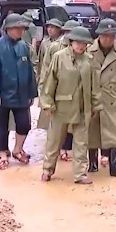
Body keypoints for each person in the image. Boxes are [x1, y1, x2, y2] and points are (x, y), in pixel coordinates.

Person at [40, 26, 102, 184]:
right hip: (62, 106)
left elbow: (95, 85)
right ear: (71, 42)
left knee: (81, 142)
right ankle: (47, 169)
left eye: (84, 43)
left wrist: (95, 105)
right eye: (77, 42)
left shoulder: (88, 60)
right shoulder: (59, 57)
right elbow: (50, 81)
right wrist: (47, 104)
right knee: (54, 140)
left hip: (83, 107)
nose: (80, 46)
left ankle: (80, 174)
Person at [0, 13, 38, 169]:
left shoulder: (24, 47)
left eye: (22, 29)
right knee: (0, 125)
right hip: (1, 94)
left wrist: (31, 93)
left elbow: (29, 71)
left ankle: (18, 149)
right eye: (18, 29)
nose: (21, 32)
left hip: (21, 94)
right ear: (8, 29)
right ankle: (3, 153)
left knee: (24, 124)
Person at [86, 19, 116, 176]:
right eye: (105, 36)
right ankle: (92, 163)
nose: (108, 39)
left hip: (113, 98)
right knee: (91, 131)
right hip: (93, 97)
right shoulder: (88, 52)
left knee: (115, 132)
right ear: (99, 35)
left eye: (112, 36)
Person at [36, 19, 79, 161]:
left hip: (73, 92)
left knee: (71, 122)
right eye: (67, 32)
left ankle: (65, 149)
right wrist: (43, 89)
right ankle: (54, 153)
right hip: (56, 89)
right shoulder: (54, 47)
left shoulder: (82, 47)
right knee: (54, 122)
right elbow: (45, 68)